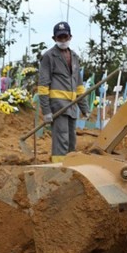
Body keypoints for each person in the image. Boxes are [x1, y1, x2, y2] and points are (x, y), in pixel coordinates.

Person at [38, 21, 89, 161]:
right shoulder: (49, 56)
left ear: (70, 37)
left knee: (71, 140)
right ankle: (58, 170)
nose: (62, 40)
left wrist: (85, 108)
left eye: (65, 37)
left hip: (72, 105)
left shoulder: (74, 57)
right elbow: (43, 85)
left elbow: (79, 85)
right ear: (54, 38)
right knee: (61, 139)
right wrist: (47, 111)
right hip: (58, 105)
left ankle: (70, 168)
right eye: (59, 38)